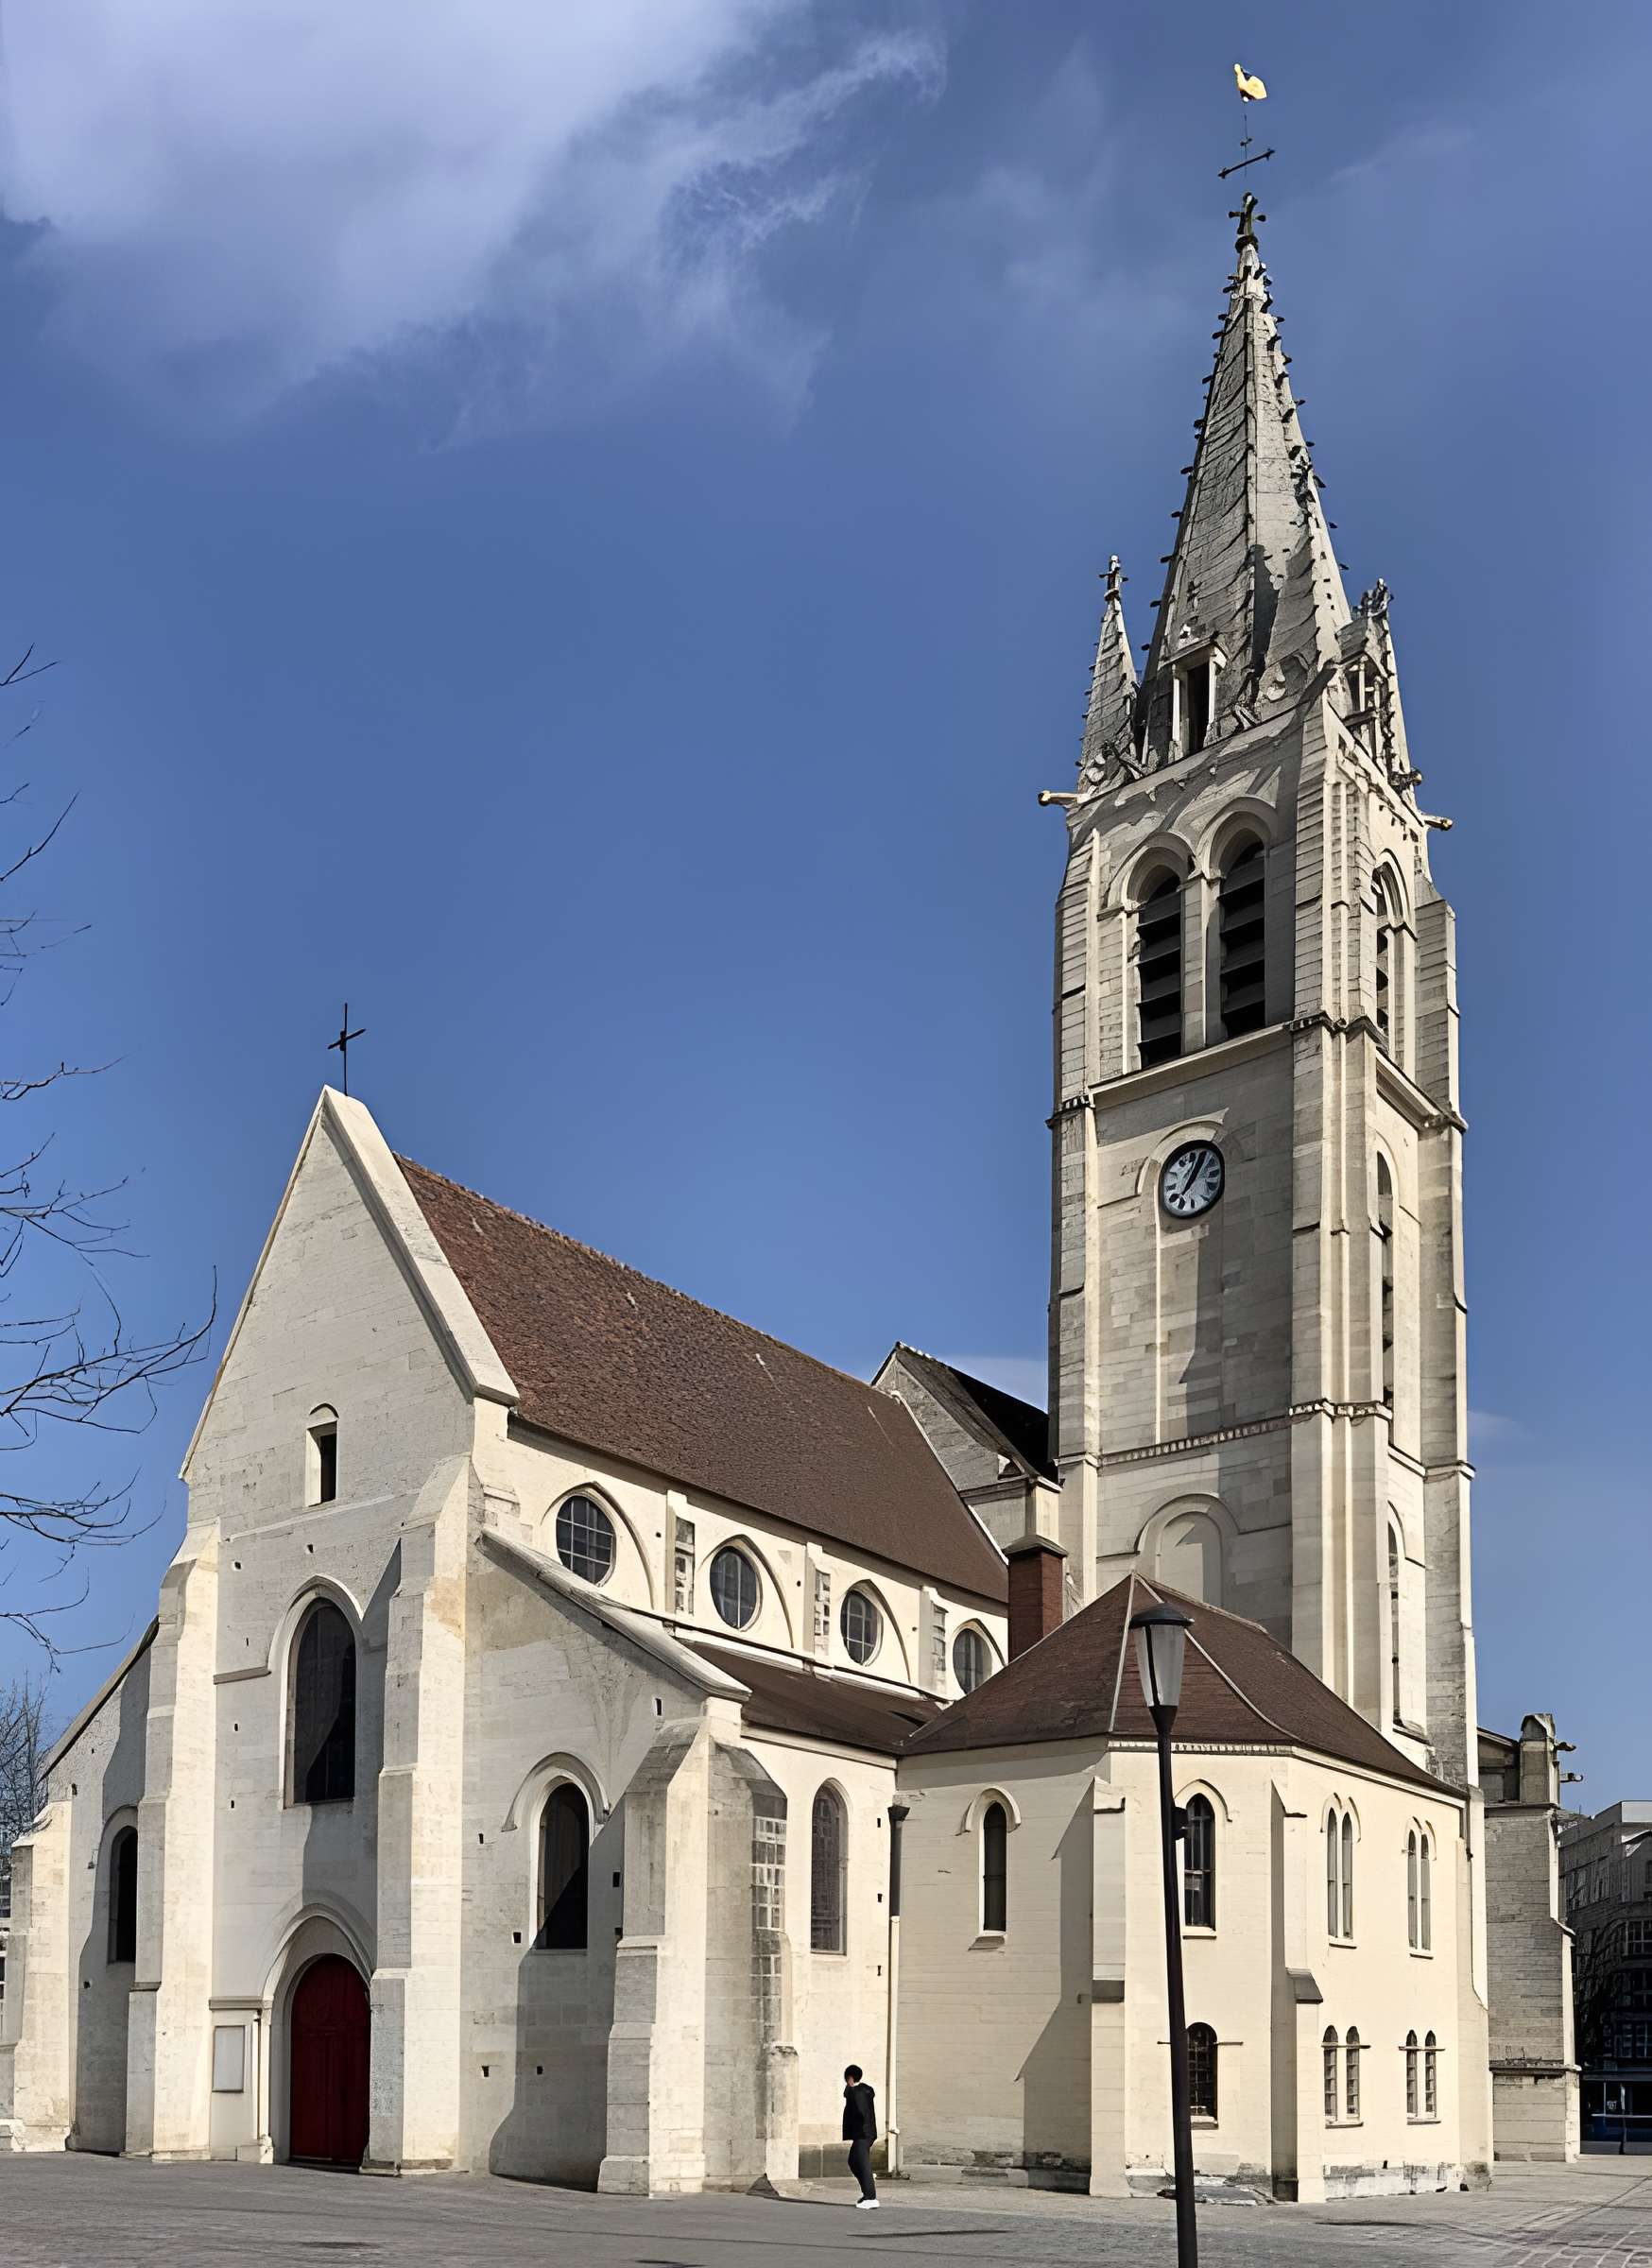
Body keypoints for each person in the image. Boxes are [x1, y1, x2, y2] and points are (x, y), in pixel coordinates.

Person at [842, 2064, 878, 2208]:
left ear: (850, 2078)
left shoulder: (859, 2093)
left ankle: (871, 2197)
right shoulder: (858, 2091)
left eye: (847, 2079)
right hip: (863, 2134)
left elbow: (862, 2112)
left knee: (863, 2164)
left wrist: (862, 2128)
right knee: (853, 2161)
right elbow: (847, 2094)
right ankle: (867, 2194)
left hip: (863, 2134)